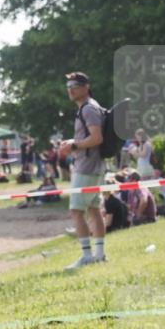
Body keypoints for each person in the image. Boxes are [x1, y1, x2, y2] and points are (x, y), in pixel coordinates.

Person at [58, 72, 107, 269]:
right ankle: (100, 254)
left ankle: (87, 256)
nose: (70, 88)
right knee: (94, 210)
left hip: (87, 168)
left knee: (76, 211)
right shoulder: (90, 107)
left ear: (86, 86)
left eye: (75, 84)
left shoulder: (88, 109)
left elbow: (97, 138)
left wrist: (73, 145)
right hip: (95, 167)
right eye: (68, 85)